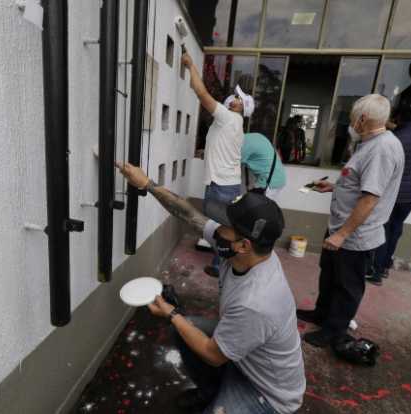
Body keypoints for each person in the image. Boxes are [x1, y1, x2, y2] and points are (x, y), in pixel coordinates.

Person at [116, 161, 306, 414]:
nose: (217, 228)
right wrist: (147, 184)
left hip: (267, 392)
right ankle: (211, 391)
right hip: (244, 354)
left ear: (243, 245)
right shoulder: (248, 252)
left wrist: (172, 314)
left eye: (225, 226)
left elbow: (213, 354)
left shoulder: (257, 301)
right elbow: (188, 214)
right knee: (187, 329)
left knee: (184, 327)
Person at [296, 94, 405, 347]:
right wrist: (334, 186)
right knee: (330, 275)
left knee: (347, 286)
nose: (351, 123)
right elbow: (360, 184)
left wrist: (342, 235)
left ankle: (334, 330)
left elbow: (369, 199)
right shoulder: (371, 142)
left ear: (363, 119)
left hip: (354, 235)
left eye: (353, 118)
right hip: (341, 228)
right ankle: (322, 314)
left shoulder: (382, 149)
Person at [181, 52, 255, 277]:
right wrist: (206, 151)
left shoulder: (228, 117)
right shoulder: (234, 124)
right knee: (224, 227)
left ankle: (222, 266)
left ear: (241, 106)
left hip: (221, 186)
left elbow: (202, 93)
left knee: (220, 229)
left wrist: (191, 65)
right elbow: (222, 146)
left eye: (237, 98)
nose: (233, 98)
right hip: (227, 184)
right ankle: (223, 264)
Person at [366, 96, 411, 286]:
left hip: (393, 193)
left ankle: (375, 271)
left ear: (401, 117)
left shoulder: (396, 138)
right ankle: (385, 265)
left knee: (383, 229)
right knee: (396, 228)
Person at [241, 132, 286, 203]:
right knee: (260, 208)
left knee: (258, 209)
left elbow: (233, 165)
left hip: (269, 182)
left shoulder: (244, 143)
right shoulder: (254, 136)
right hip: (276, 178)